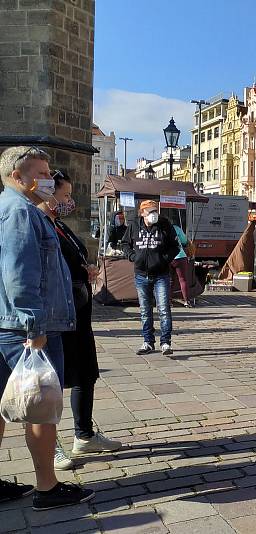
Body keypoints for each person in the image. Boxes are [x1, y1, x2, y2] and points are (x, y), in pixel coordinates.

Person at [0, 146, 94, 510]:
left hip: (8, 324)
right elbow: (19, 274)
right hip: (26, 329)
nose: (48, 178)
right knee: (39, 405)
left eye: (49, 170)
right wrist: (33, 325)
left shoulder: (10, 208)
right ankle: (47, 487)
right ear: (17, 177)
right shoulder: (21, 212)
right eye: (40, 171)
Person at [37, 170, 123, 470]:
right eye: (64, 196)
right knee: (51, 384)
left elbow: (69, 260)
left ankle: (84, 435)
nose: (68, 201)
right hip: (57, 315)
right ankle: (52, 446)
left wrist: (85, 269)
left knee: (86, 373)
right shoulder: (38, 225)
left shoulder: (57, 224)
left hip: (78, 311)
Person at [121, 200, 180, 357]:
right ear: (142, 213)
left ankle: (166, 342)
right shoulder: (134, 225)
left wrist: (163, 259)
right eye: (150, 212)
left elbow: (176, 246)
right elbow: (125, 244)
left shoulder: (164, 224)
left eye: (155, 211)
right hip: (141, 274)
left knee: (163, 309)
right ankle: (148, 341)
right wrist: (133, 256)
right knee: (145, 311)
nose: (154, 214)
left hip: (161, 274)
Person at [171, 220, 193, 307]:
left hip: (168, 258)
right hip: (180, 256)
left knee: (169, 280)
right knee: (183, 280)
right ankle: (186, 301)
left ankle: (168, 302)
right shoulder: (176, 228)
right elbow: (184, 241)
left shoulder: (160, 229)